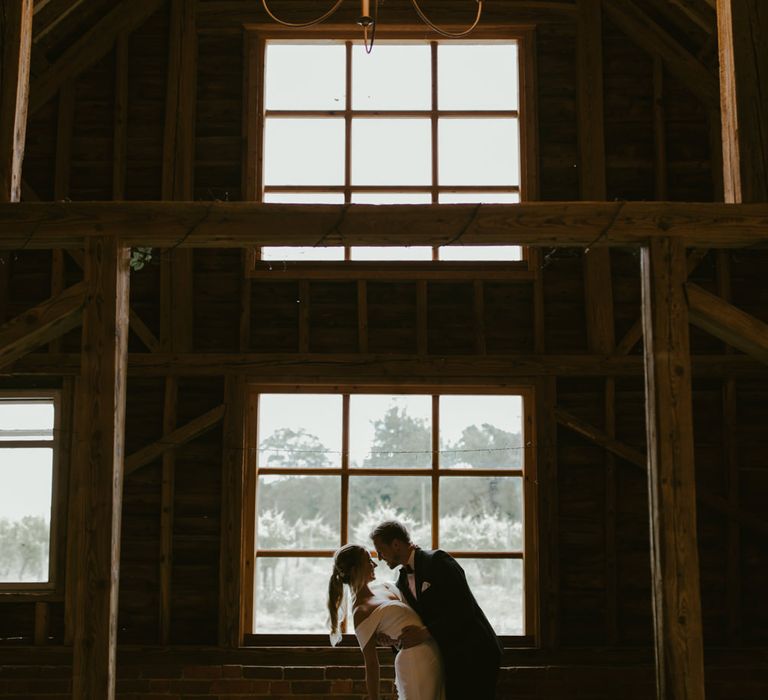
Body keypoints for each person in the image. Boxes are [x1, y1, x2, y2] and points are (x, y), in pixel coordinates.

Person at [370, 520, 502, 700]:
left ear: (395, 544)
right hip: (449, 657)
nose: (379, 557)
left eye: (380, 550)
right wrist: (394, 640)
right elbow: (416, 621)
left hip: (475, 651)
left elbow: (463, 609)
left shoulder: (438, 561)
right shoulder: (402, 582)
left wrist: (425, 633)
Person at [328, 543, 445, 700]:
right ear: (356, 570)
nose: (375, 564)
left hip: (431, 654)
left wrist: (394, 639)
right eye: (369, 561)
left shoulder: (384, 587)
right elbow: (371, 664)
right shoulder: (361, 612)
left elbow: (405, 619)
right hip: (413, 662)